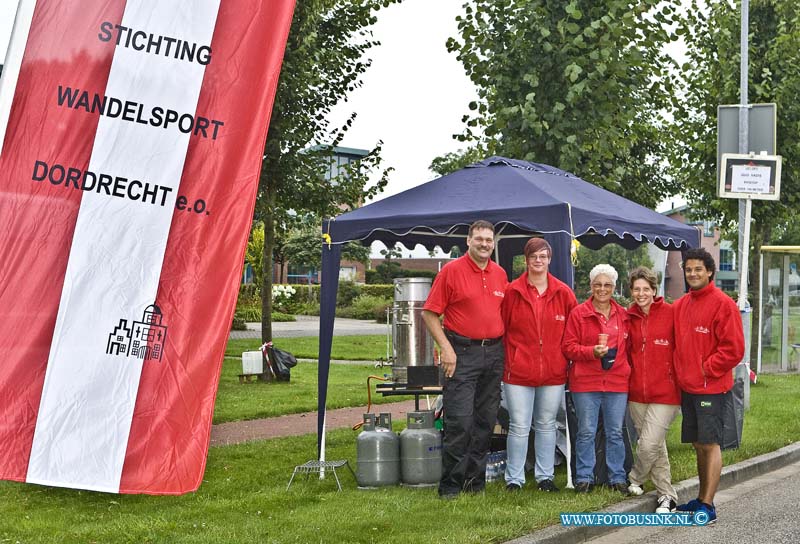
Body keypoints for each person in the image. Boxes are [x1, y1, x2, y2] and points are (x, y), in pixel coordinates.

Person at [422, 220, 508, 499]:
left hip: (494, 353)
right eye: (479, 239)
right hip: (461, 353)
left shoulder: (500, 274)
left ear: (493, 243)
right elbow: (429, 313)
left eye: (489, 240)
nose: (484, 244)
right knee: (460, 422)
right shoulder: (451, 271)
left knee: (485, 422)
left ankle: (475, 483)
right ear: (468, 240)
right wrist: (446, 348)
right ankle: (450, 487)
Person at [673, 248, 744, 524]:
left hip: (711, 388)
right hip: (687, 388)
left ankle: (708, 506)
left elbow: (734, 349)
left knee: (710, 444)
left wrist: (706, 369)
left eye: (698, 269)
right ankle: (702, 498)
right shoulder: (681, 305)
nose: (692, 274)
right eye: (689, 270)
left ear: (710, 272)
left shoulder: (723, 304)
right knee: (698, 444)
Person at [501, 238, 577, 492]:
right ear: (526, 260)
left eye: (543, 256)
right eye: (534, 256)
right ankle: (515, 479)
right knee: (519, 425)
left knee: (546, 425)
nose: (538, 260)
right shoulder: (512, 291)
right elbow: (503, 327)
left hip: (553, 372)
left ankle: (545, 477)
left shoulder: (563, 292)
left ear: (549, 259)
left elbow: (573, 330)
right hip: (518, 371)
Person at [562, 263, 630, 494]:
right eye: (598, 284)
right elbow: (568, 347)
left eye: (607, 285)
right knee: (587, 431)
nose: (602, 289)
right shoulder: (578, 314)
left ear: (614, 287)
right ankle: (584, 478)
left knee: (615, 432)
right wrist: (591, 352)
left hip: (617, 382)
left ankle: (617, 476)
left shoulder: (623, 315)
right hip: (585, 381)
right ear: (591, 286)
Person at [625, 267, 681, 513]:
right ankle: (667, 496)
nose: (641, 293)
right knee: (656, 446)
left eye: (645, 289)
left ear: (654, 289)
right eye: (636, 289)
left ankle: (635, 477)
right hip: (636, 393)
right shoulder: (628, 316)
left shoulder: (670, 314)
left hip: (666, 393)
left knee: (648, 445)